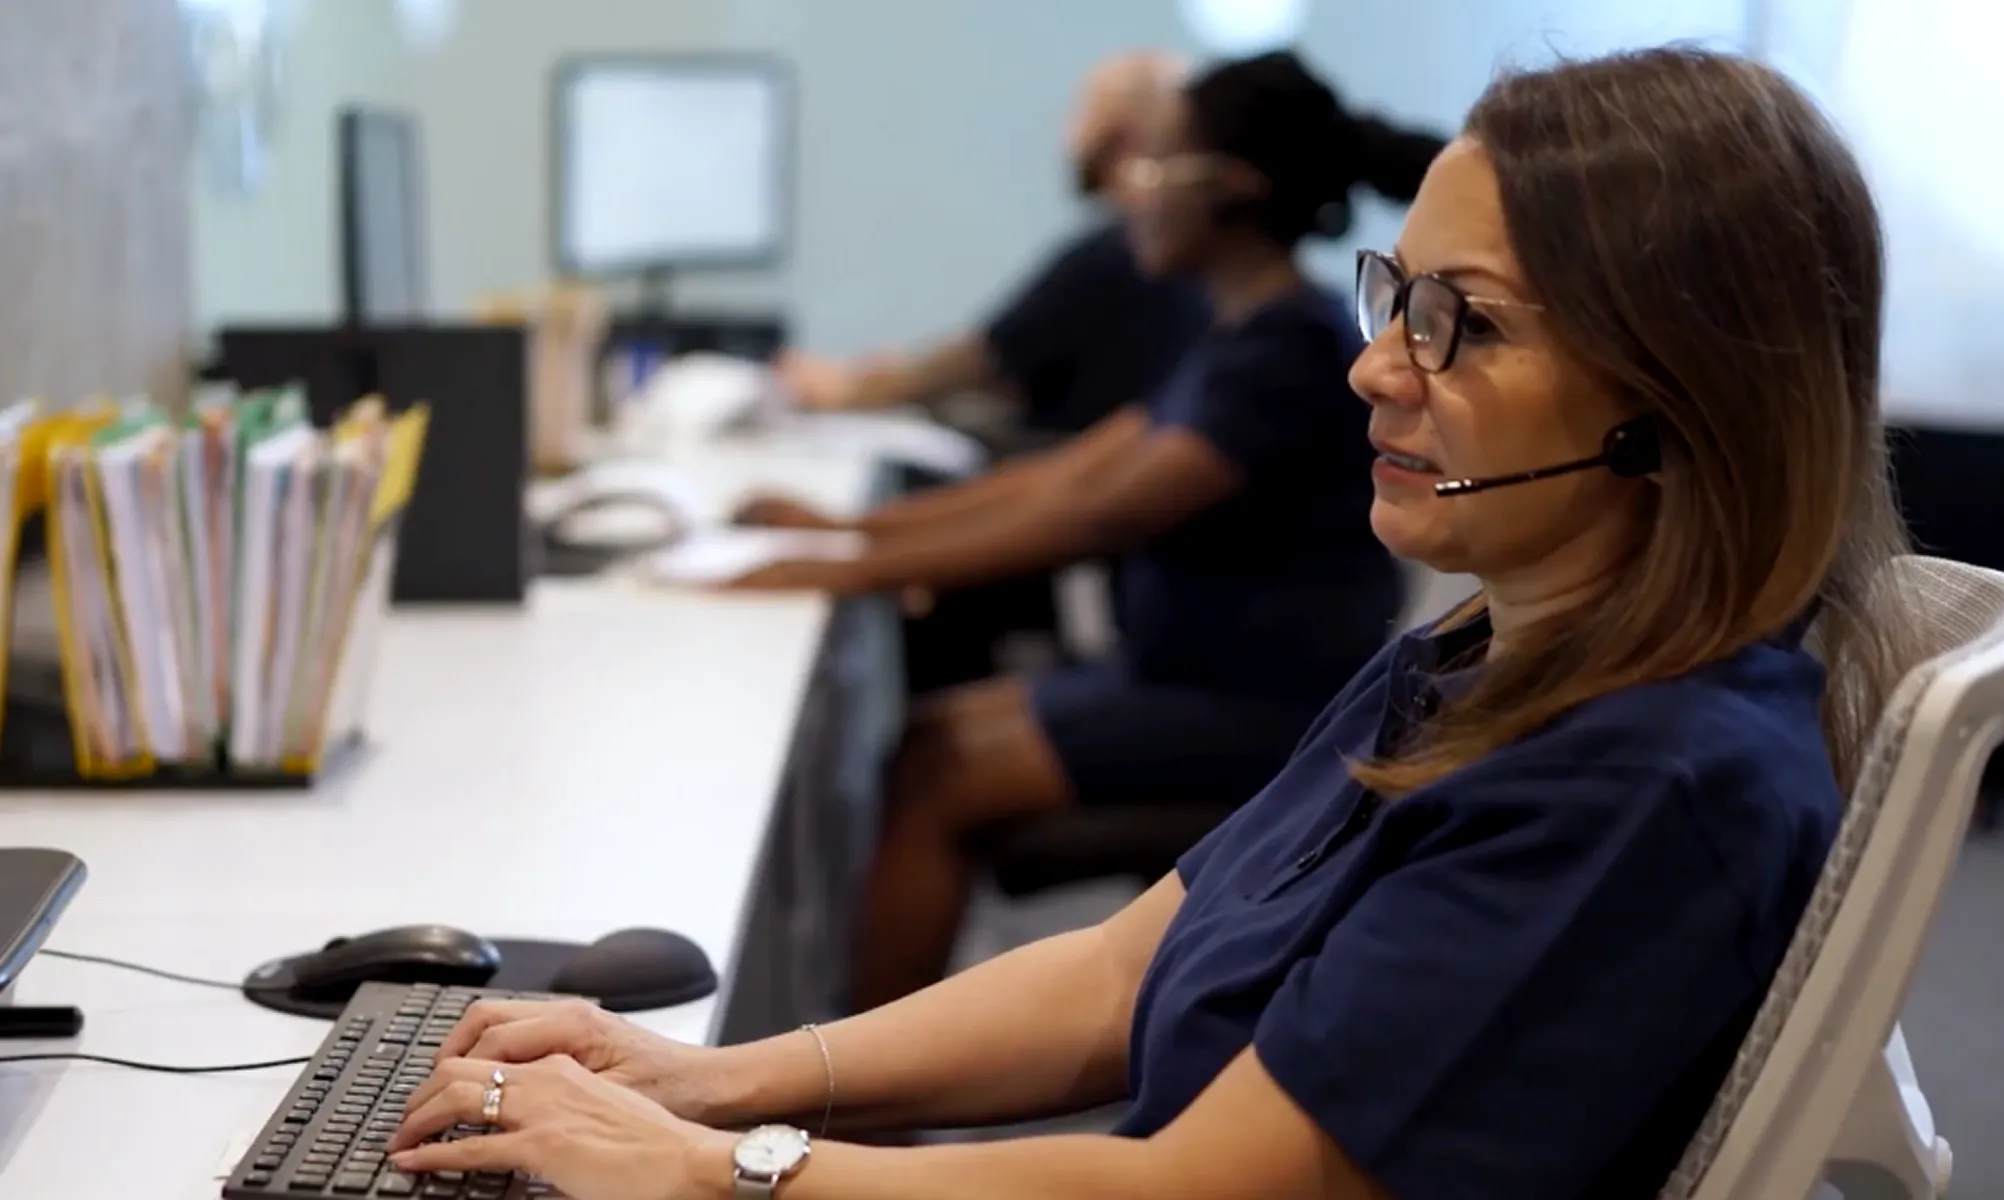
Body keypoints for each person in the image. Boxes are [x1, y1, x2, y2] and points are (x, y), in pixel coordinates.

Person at [386, 45, 1917, 1199]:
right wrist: (709, 1079)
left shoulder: (1638, 789)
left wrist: (726, 1169)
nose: (1378, 369)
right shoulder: (1485, 659)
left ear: (1679, 401)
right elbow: (1118, 975)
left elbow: (1194, 1192)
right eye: (1402, 299)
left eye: (1470, 325)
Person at [739, 52, 1437, 1011]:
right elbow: (1072, 471)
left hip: (1259, 707)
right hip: (1177, 677)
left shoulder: (1287, 350)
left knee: (940, 775)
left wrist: (844, 564)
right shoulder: (1238, 329)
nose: (1132, 196)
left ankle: (860, 1113)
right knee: (929, 735)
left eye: (1155, 169)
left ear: (1231, 188)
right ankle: (847, 1055)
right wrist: (851, 534)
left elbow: (1095, 514)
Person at [774, 51, 1208, 440]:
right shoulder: (1164, 255)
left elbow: (980, 358)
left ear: (1121, 135)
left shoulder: (1121, 252)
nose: (1068, 129)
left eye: (1081, 112)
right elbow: (1015, 365)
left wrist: (851, 390)